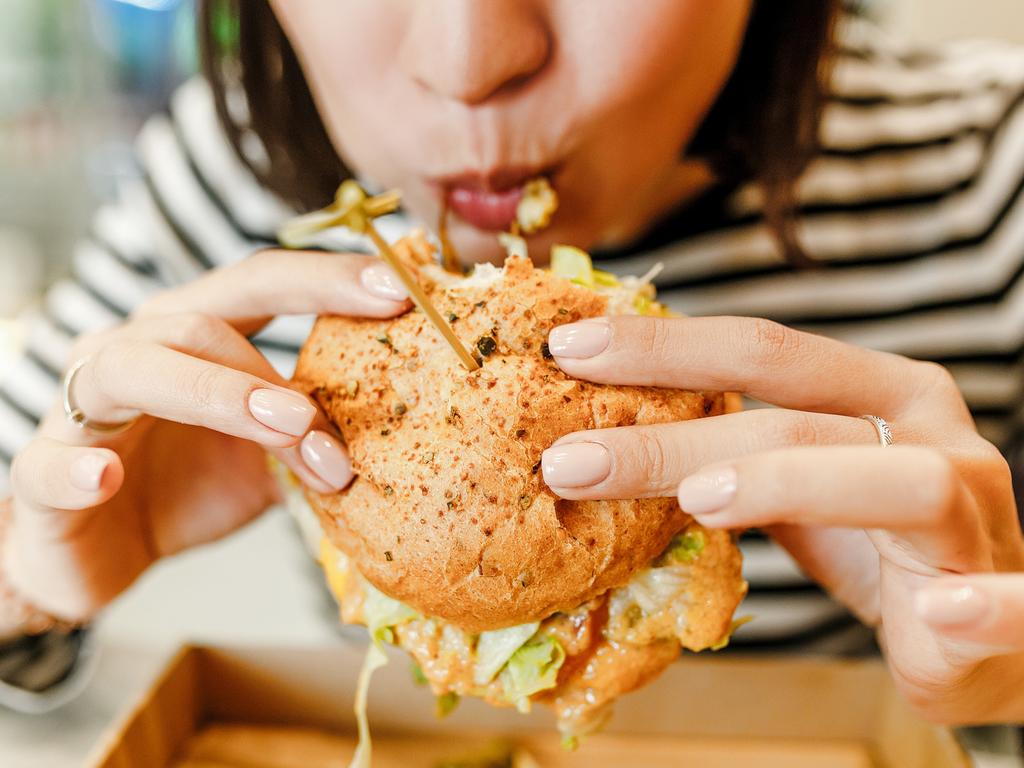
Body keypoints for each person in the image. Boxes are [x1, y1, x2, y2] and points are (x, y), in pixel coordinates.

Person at [0, 0, 1022, 725]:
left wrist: (1001, 677)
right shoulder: (241, 186)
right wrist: (28, 580)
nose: (468, 60)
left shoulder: (993, 179)